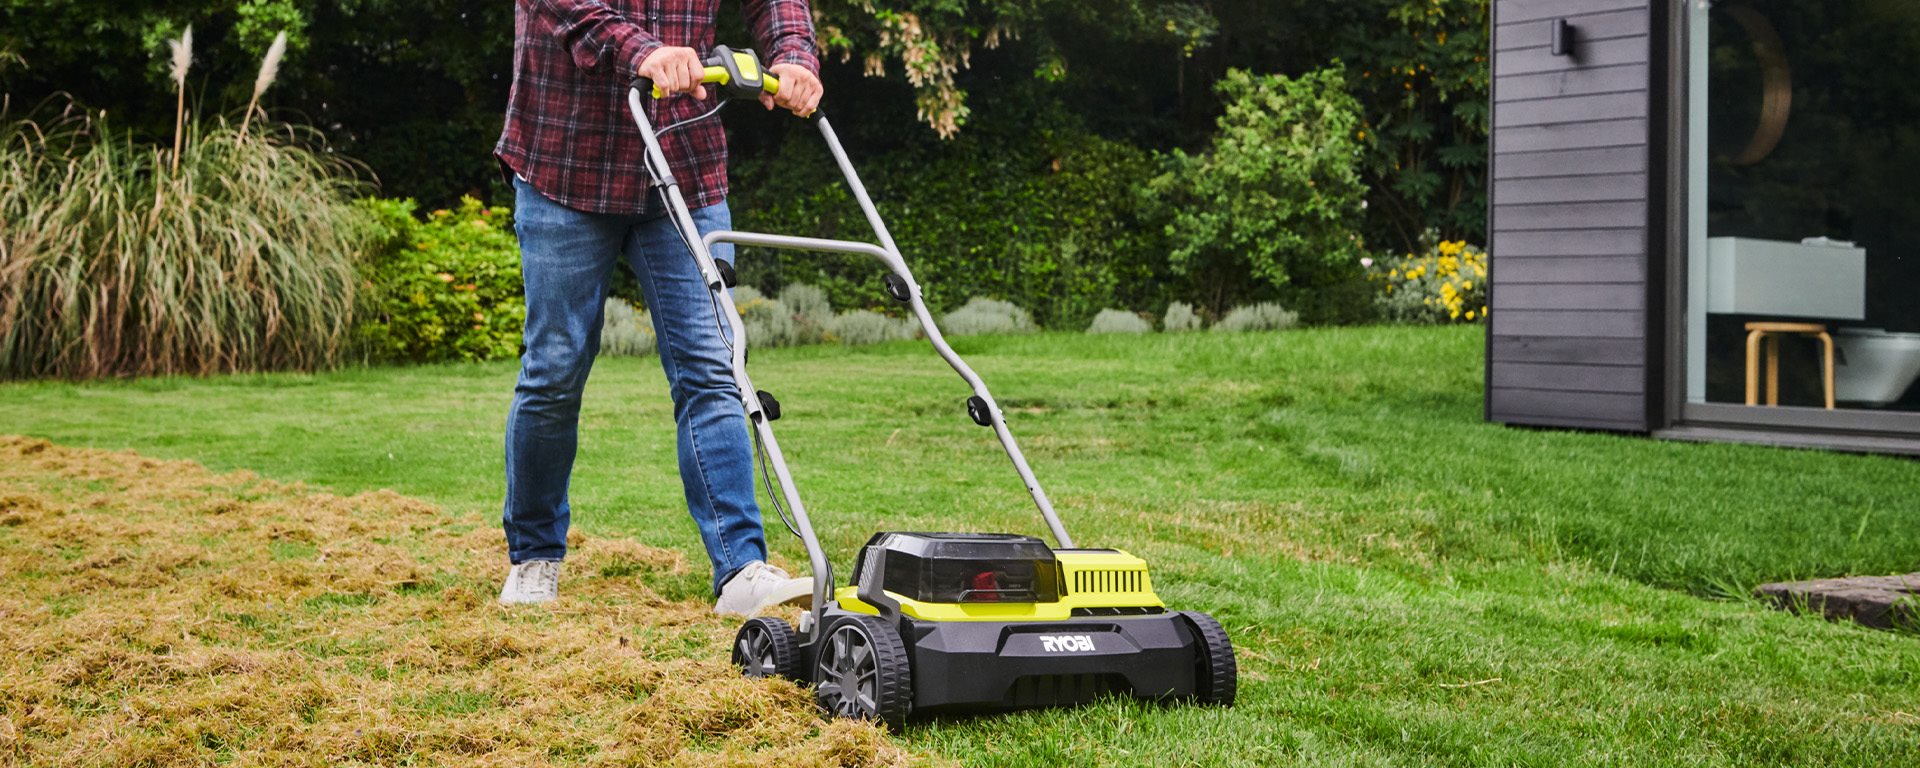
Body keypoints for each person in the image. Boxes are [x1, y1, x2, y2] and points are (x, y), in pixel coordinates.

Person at [491, 0, 825, 614]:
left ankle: (740, 570)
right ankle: (534, 556)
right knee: (555, 370)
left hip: (683, 166)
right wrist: (641, 49)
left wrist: (793, 55)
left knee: (712, 367)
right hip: (566, 163)